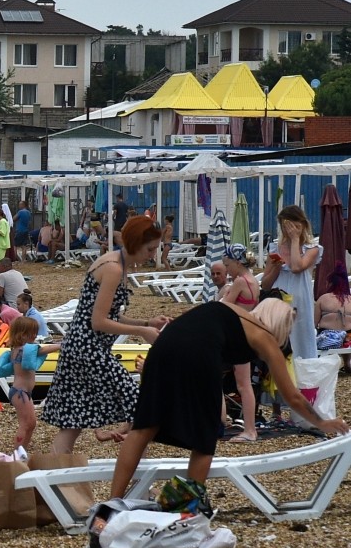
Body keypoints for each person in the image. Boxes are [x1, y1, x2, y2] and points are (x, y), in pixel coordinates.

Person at [109, 299, 349, 512]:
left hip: (165, 344)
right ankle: (186, 508)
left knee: (145, 425)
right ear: (281, 326)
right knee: (206, 436)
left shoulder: (236, 311)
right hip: (199, 355)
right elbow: (292, 396)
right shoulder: (265, 337)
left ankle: (113, 503)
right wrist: (322, 422)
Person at [41, 215, 169, 454]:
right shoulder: (113, 268)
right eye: (150, 249)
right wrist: (142, 331)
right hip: (87, 349)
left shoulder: (115, 264)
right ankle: (134, 479)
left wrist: (147, 321)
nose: (152, 254)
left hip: (78, 347)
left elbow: (109, 315)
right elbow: (99, 322)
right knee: (140, 404)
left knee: (72, 423)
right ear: (135, 244)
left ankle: (50, 483)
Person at [259, 203, 321, 359]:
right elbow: (265, 284)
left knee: (300, 338)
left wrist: (295, 241)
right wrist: (276, 268)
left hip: (300, 302)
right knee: (280, 339)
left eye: (292, 225)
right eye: (285, 226)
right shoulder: (275, 248)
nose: (289, 230)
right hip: (278, 299)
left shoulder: (312, 249)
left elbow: (296, 267)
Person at [0, 316, 58, 456]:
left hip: (21, 392)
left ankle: (22, 451)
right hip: (20, 392)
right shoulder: (24, 350)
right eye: (32, 333)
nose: (35, 336)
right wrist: (62, 345)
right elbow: (45, 350)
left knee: (31, 423)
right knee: (26, 424)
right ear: (22, 334)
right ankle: (17, 453)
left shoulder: (16, 350)